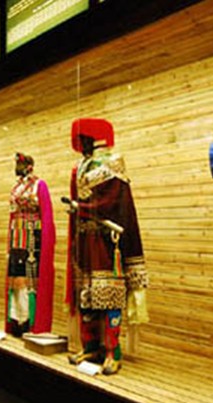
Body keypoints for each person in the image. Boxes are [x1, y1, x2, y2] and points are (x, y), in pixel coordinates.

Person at [65, 118, 148, 375]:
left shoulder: (112, 162)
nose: (80, 144)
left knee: (109, 295)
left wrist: (82, 207)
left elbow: (112, 201)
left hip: (106, 240)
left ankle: (113, 350)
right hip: (85, 240)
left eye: (83, 138)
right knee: (87, 297)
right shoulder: (80, 165)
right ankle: (91, 346)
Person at [5, 153, 55, 336]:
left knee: (29, 280)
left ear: (29, 166)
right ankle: (16, 319)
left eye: (20, 164)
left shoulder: (39, 185)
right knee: (16, 279)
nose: (17, 167)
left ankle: (29, 320)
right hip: (16, 235)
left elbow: (46, 213)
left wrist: (48, 239)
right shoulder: (16, 187)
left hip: (32, 236)